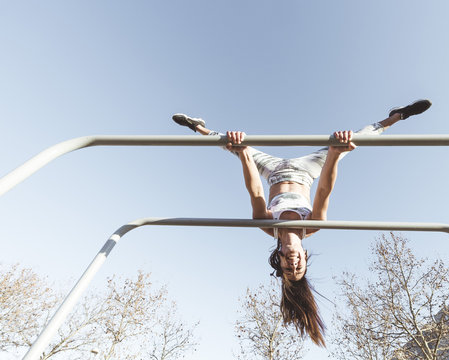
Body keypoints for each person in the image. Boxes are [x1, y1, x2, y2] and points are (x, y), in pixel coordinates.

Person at [172, 99, 432, 346]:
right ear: (305, 258)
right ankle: (398, 115)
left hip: (273, 171)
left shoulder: (267, 226)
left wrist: (243, 154)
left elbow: (256, 193)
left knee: (228, 143)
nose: (293, 263)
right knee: (355, 140)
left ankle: (197, 126)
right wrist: (334, 153)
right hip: (306, 171)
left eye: (287, 268)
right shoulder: (313, 225)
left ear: (280, 257)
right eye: (299, 267)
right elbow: (323, 191)